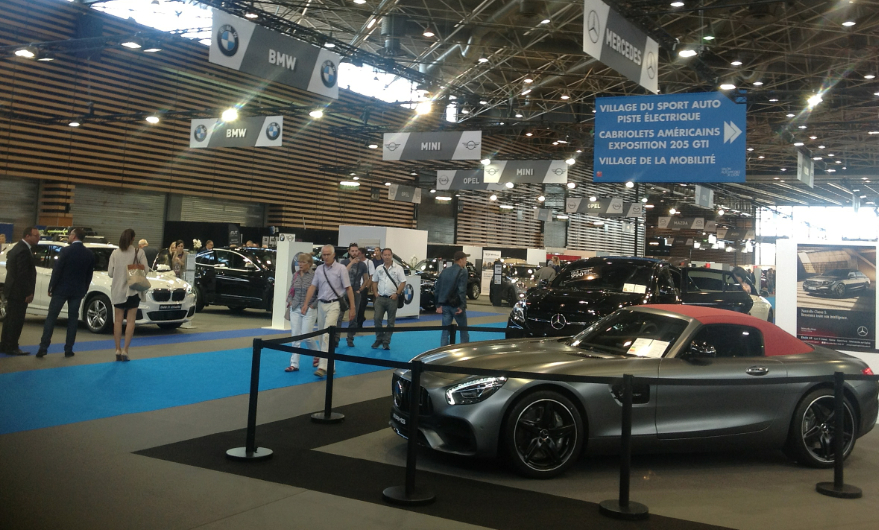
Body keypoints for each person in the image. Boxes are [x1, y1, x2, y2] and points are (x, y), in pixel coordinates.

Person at [36, 228, 95, 358]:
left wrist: (52, 286)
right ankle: (68, 349)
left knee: (51, 318)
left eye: (70, 234)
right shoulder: (89, 254)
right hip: (77, 291)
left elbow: (57, 270)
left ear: (74, 236)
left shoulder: (65, 251)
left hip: (61, 289)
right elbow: (89, 275)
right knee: (73, 320)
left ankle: (43, 347)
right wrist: (84, 288)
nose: (68, 236)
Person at [301, 244, 355, 377]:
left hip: (334, 305)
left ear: (333, 255)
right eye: (323, 255)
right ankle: (332, 366)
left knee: (327, 336)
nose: (325, 257)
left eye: (327, 255)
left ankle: (322, 367)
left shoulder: (341, 269)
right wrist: (306, 304)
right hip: (321, 305)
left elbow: (348, 288)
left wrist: (352, 307)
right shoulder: (319, 269)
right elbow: (313, 287)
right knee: (322, 337)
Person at [108, 228, 150, 361]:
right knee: (131, 321)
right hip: (133, 291)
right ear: (132, 239)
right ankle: (125, 350)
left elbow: (110, 273)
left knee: (118, 321)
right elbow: (146, 270)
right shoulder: (139, 252)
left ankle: (117, 349)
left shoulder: (115, 253)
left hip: (118, 290)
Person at [0, 226, 40, 355]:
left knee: (9, 319)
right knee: (16, 320)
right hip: (19, 292)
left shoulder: (16, 248)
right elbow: (22, 274)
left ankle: (5, 344)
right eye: (36, 235)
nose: (38, 238)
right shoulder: (23, 250)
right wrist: (28, 292)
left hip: (12, 290)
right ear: (27, 236)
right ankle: (12, 346)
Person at [285, 252, 318, 372]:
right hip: (295, 307)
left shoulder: (315, 276)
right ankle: (294, 364)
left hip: (309, 308)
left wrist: (312, 306)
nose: (300, 264)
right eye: (299, 262)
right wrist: (289, 300)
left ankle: (317, 354)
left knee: (307, 336)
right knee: (295, 336)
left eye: (303, 262)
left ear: (309, 264)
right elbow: (291, 290)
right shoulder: (295, 275)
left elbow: (319, 294)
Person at [371, 247, 406, 350]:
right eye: (385, 255)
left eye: (389, 255)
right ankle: (379, 339)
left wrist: (397, 293)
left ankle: (386, 342)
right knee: (377, 319)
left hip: (392, 299)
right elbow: (374, 281)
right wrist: (375, 293)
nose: (387, 257)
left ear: (391, 256)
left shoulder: (398, 268)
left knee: (390, 322)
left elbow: (403, 282)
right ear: (382, 256)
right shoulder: (379, 268)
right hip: (380, 298)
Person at [337, 242, 370, 347]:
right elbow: (342, 274)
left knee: (354, 317)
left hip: (356, 292)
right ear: (349, 251)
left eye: (356, 251)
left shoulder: (363, 265)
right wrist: (352, 263)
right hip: (344, 291)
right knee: (339, 316)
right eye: (352, 251)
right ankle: (336, 339)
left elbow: (366, 278)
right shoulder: (343, 262)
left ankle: (350, 339)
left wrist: (361, 289)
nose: (355, 253)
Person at [435, 251, 470, 347]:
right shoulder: (463, 271)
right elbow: (461, 290)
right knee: (463, 329)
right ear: (461, 260)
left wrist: (438, 305)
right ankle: (465, 349)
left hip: (445, 305)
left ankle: (443, 351)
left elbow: (437, 288)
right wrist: (462, 306)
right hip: (456, 305)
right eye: (465, 260)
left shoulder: (445, 271)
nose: (465, 262)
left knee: (445, 331)